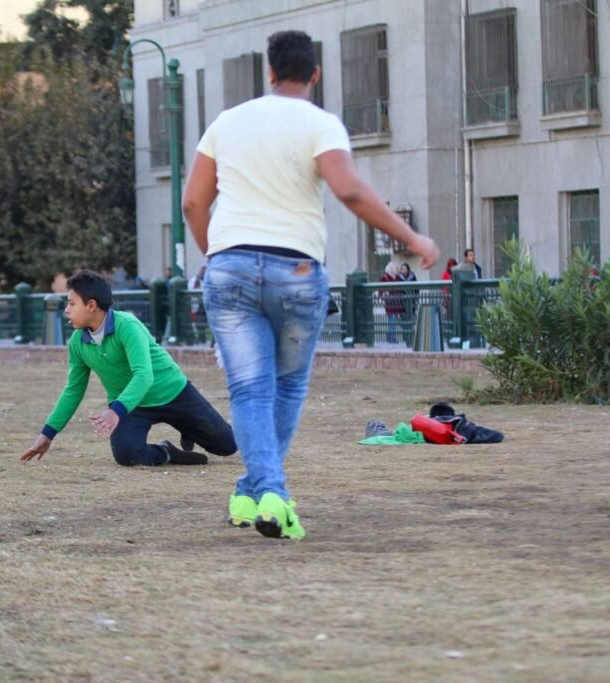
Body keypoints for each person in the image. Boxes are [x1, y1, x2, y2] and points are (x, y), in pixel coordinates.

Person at [182, 30, 439, 539]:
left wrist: (217, 254)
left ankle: (254, 490)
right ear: (315, 75)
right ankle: (272, 491)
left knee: (249, 391)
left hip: (229, 267)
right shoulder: (320, 124)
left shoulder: (227, 122)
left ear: (270, 72)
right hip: (296, 273)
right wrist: (411, 238)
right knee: (287, 387)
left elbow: (193, 202)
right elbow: (348, 189)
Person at [19, 270, 237, 467]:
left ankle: (186, 426)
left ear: (91, 305)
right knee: (127, 455)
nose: (66, 310)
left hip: (172, 393)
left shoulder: (128, 326)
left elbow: (144, 376)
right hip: (132, 405)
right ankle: (168, 452)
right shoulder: (78, 342)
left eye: (71, 303)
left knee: (227, 446)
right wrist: (47, 435)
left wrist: (115, 411)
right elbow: (73, 390)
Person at [380, 262, 401, 343]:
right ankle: (392, 337)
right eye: (396, 268)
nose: (397, 270)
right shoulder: (385, 278)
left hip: (397, 302)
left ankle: (390, 336)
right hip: (390, 302)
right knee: (391, 320)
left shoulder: (397, 277)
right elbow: (381, 290)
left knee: (393, 320)